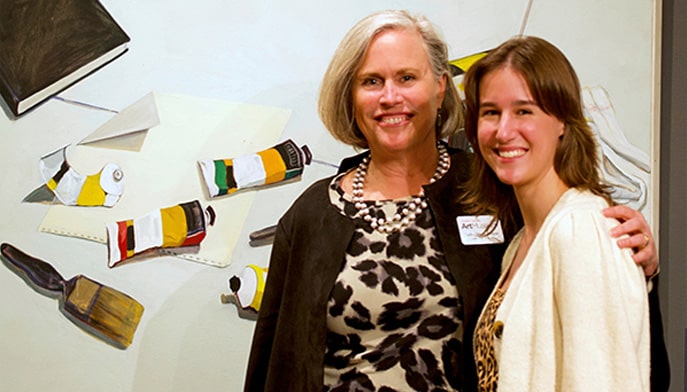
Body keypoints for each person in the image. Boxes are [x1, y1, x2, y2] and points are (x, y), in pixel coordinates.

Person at [244, 10, 663, 392]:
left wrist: (633, 260)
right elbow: (273, 359)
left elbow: (592, 322)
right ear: (350, 96)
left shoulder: (489, 189)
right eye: (371, 81)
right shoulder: (313, 215)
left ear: (441, 86)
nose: (390, 96)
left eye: (407, 77)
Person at [461, 35, 665, 391]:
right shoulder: (522, 241)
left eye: (524, 111)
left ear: (563, 123)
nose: (504, 131)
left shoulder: (581, 228)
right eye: (491, 112)